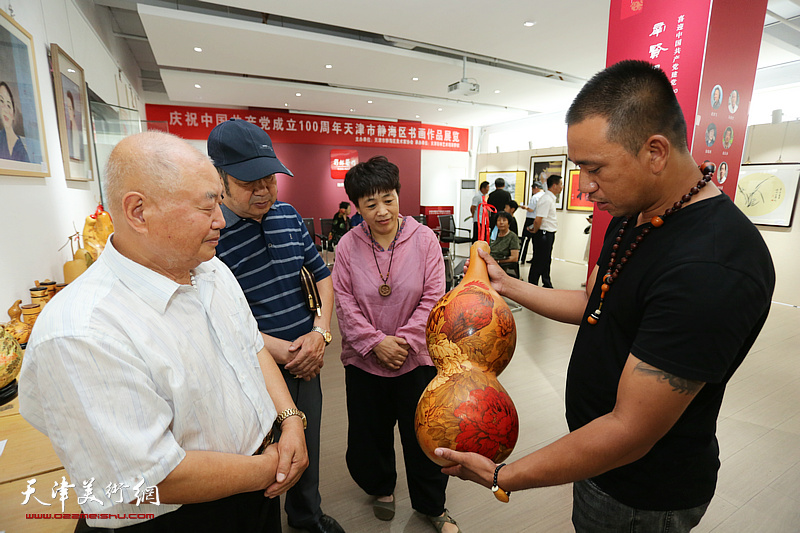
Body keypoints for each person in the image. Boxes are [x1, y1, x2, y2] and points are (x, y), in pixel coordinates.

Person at [437, 60, 775, 533]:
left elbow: (629, 431)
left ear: (655, 151)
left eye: (595, 169)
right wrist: (506, 285)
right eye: (579, 169)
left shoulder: (711, 268)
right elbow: (595, 303)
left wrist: (503, 476)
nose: (586, 188)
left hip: (642, 492)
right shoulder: (635, 213)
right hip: (597, 464)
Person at [18, 131, 308, 531]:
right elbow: (147, 476)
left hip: (256, 487)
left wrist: (291, 420)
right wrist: (271, 468)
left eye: (219, 204)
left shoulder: (211, 270)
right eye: (207, 207)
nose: (221, 220)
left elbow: (251, 346)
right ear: (139, 211)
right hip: (179, 515)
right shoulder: (83, 331)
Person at [207, 119, 344, 533]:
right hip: (249, 370)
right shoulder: (210, 236)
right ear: (219, 178)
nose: (264, 190)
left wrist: (319, 334)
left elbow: (322, 275)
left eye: (270, 178)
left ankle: (306, 516)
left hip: (307, 360)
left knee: (308, 444)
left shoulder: (288, 216)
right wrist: (281, 350)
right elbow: (218, 317)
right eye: (250, 181)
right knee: (255, 455)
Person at [332, 156, 461, 533]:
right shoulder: (347, 246)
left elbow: (435, 297)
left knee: (424, 434)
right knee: (368, 434)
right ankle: (380, 487)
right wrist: (375, 343)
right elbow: (344, 300)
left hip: (416, 358)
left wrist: (401, 342)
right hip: (364, 360)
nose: (382, 211)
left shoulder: (424, 241)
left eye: (388, 199)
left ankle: (432, 506)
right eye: (370, 204)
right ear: (357, 207)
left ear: (398, 194)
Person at [527, 174, 562, 288]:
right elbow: (538, 220)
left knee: (545, 260)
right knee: (539, 260)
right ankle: (532, 284)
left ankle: (546, 283)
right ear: (554, 185)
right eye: (560, 184)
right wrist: (535, 231)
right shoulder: (546, 199)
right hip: (543, 234)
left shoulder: (550, 198)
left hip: (548, 233)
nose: (562, 187)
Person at [0, 81, 30, 162]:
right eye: (1, 101)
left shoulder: (21, 149)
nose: (5, 109)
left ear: (13, 114)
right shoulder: (1, 137)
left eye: (9, 105)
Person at [519, 181, 545, 263]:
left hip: (531, 219)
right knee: (536, 241)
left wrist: (525, 207)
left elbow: (531, 209)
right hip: (539, 219)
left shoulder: (535, 197)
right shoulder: (545, 196)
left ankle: (521, 258)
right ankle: (535, 258)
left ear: (536, 188)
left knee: (525, 239)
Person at [490, 211, 520, 277]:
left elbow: (514, 258)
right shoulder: (494, 235)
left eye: (504, 220)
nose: (501, 222)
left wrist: (497, 261)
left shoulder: (512, 237)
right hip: (489, 261)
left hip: (499, 264)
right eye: (499, 220)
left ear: (509, 223)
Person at [65, 90, 84, 161]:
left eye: (70, 108)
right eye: (67, 108)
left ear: (73, 110)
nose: (68, 111)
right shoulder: (68, 129)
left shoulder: (76, 130)